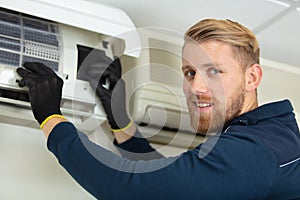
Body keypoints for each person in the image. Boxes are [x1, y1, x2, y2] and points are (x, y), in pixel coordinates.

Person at [16, 19, 300, 199]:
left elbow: (128, 187)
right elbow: (167, 179)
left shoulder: (254, 152)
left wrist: (51, 118)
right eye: (190, 73)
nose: (197, 87)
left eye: (214, 71)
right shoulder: (266, 138)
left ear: (252, 78)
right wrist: (121, 120)